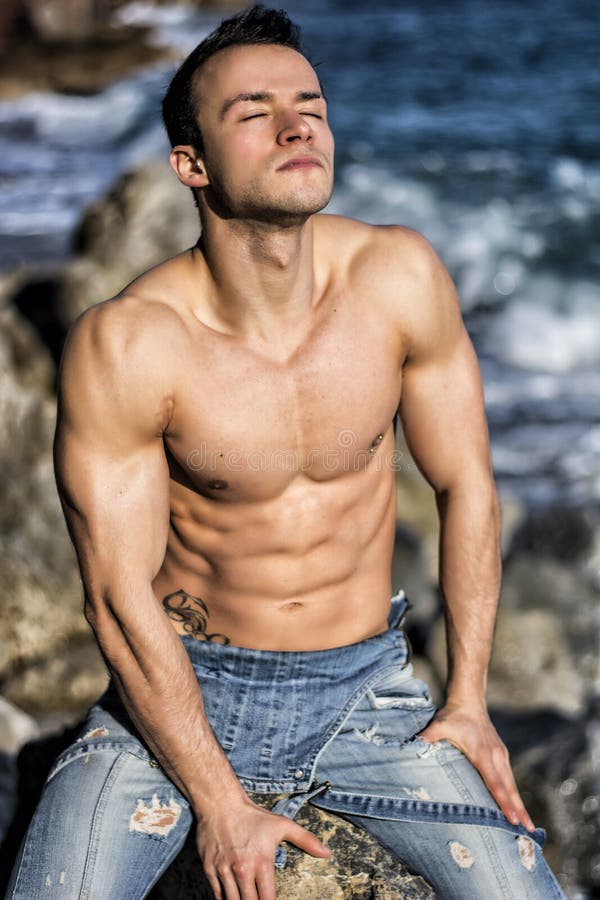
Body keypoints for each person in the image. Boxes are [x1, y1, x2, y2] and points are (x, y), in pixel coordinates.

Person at [7, 5, 566, 899]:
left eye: (310, 102)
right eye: (252, 111)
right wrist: (218, 803)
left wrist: (467, 702)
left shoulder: (398, 280)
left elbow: (466, 487)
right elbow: (115, 596)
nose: (297, 123)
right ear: (191, 165)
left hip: (366, 693)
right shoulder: (131, 344)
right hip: (182, 698)